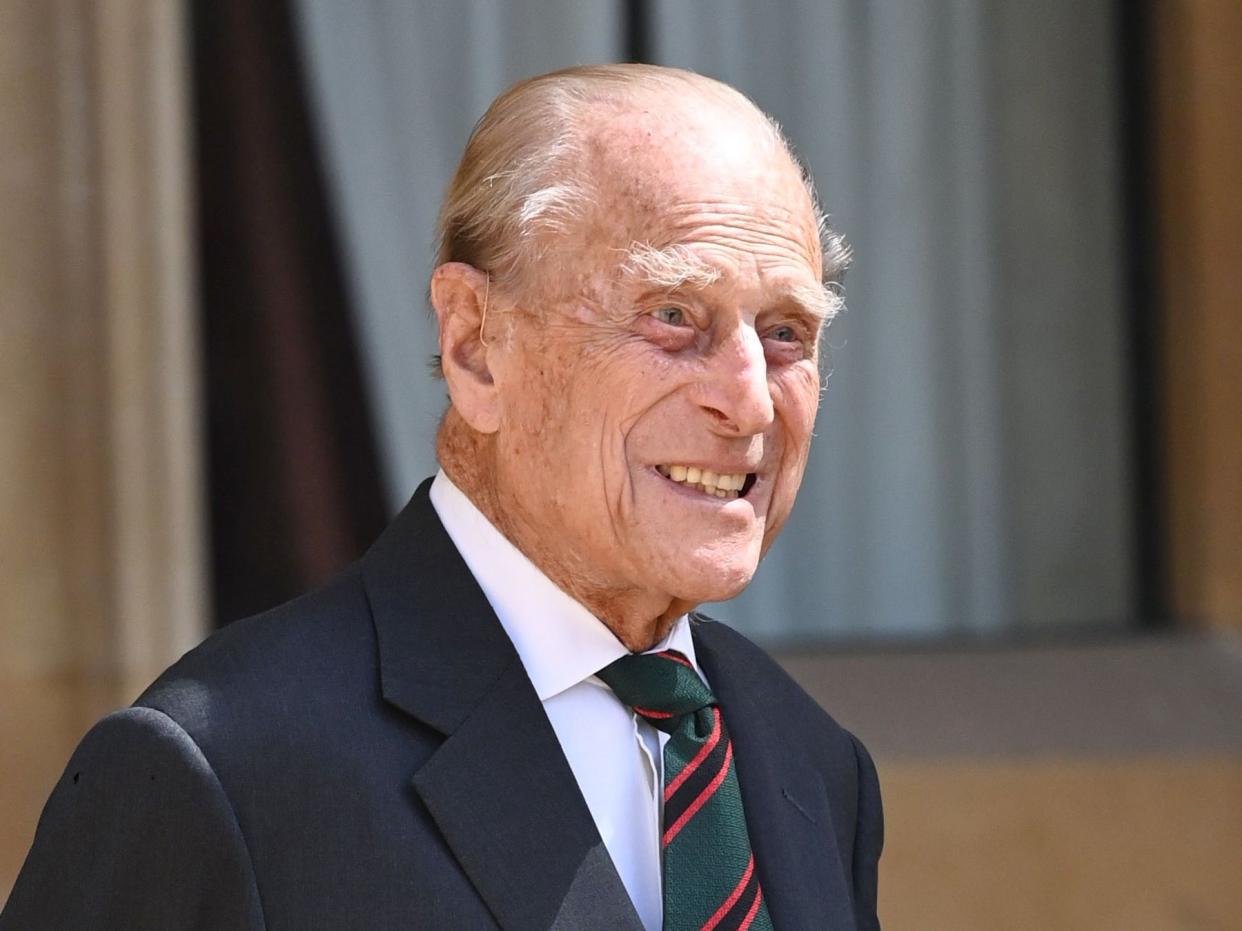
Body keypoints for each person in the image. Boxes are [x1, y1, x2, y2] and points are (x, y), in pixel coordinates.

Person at [1, 64, 881, 931]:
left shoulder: (808, 763)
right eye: (674, 316)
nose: (751, 400)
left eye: (785, 333)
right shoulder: (222, 772)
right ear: (474, 346)